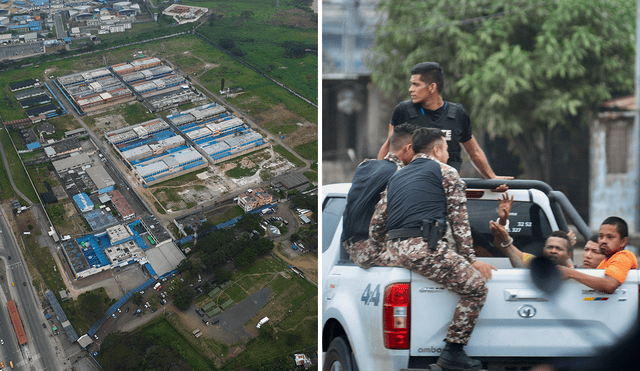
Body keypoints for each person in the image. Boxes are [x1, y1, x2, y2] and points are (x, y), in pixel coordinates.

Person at [370, 127, 496, 371]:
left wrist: (379, 253)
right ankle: (453, 351)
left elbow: (377, 222)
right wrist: (471, 259)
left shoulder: (397, 176)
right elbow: (460, 222)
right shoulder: (446, 172)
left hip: (394, 251)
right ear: (437, 149)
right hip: (424, 248)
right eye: (447, 149)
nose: (448, 154)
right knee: (476, 288)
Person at [377, 61, 511, 180]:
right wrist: (377, 177)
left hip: (446, 188)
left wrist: (492, 177)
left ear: (432, 87)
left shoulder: (457, 113)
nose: (410, 89)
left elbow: (474, 151)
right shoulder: (403, 111)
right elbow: (390, 146)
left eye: (416, 85)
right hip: (413, 185)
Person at [341, 123, 418, 268]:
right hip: (369, 251)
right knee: (432, 257)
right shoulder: (400, 176)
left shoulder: (366, 166)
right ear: (408, 148)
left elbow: (385, 163)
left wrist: (390, 139)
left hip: (353, 245)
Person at [559, 217, 638, 294]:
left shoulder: (624, 256)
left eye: (610, 237)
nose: (603, 241)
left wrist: (570, 273)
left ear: (623, 241)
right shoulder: (605, 262)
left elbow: (610, 285)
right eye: (601, 236)